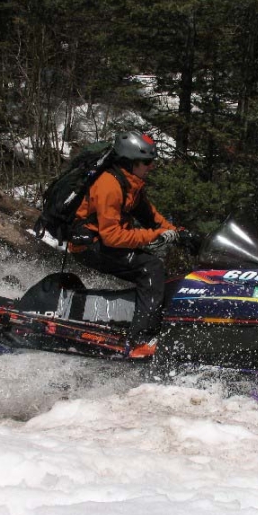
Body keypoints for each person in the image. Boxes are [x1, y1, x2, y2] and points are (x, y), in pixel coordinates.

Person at [68, 131, 178, 358]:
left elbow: (151, 215)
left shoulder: (131, 183)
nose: (151, 166)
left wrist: (177, 233)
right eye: (147, 162)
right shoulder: (109, 185)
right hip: (88, 245)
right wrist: (154, 236)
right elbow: (112, 237)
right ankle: (141, 340)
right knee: (150, 267)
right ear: (130, 162)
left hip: (102, 241)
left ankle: (144, 321)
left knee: (154, 267)